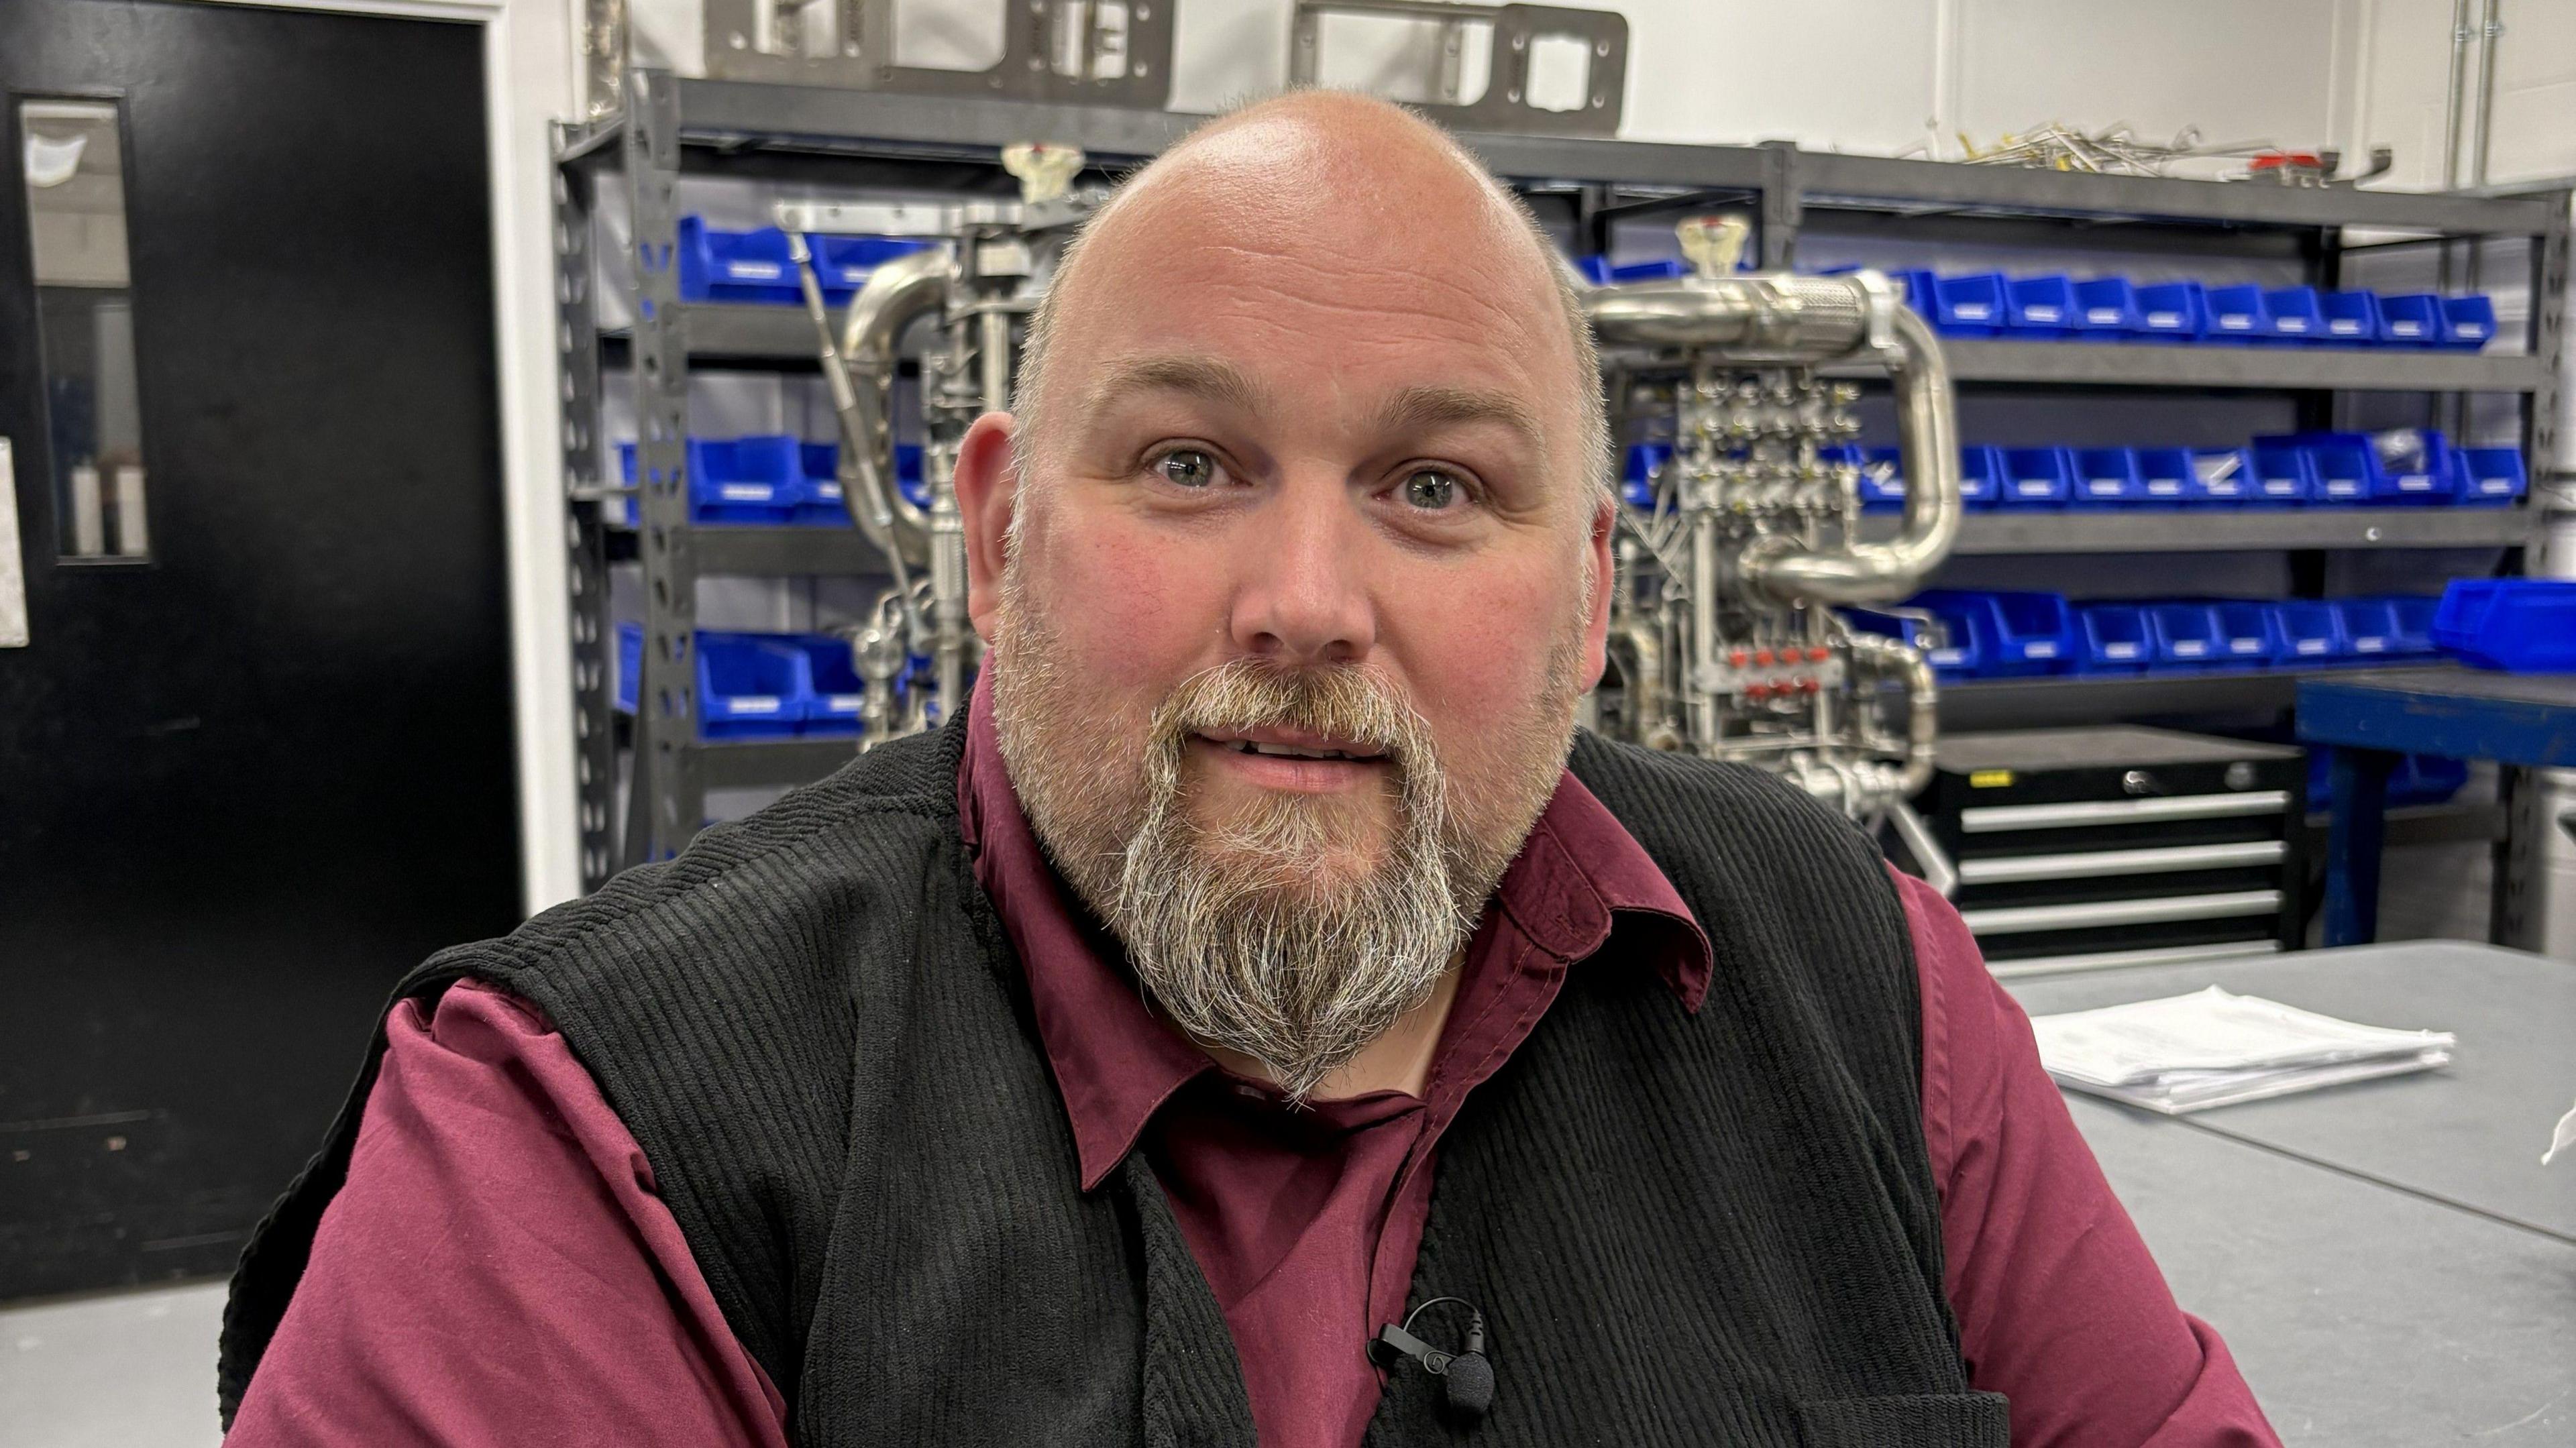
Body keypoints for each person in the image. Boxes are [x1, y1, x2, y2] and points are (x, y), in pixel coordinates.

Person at [219, 91, 2279, 1447]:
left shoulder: (1866, 990)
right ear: (1003, 531)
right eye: (1190, 463)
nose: (1305, 598)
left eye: (1434, 483)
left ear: (1584, 598)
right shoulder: (580, 1138)